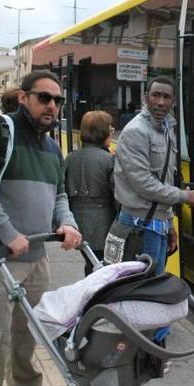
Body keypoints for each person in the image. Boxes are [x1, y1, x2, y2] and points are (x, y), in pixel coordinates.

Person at [0, 69, 82, 386]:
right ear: (23, 97)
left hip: (37, 259)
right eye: (44, 98)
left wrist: (68, 224)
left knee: (27, 343)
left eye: (57, 100)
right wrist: (7, 232)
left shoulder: (51, 147)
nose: (52, 106)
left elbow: (59, 196)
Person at [113, 76, 194, 275]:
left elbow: (164, 179)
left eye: (166, 97)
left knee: (152, 289)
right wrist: (183, 196)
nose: (161, 102)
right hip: (139, 226)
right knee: (142, 292)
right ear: (145, 98)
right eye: (156, 95)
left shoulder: (166, 129)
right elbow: (144, 184)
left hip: (156, 225)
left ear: (174, 101)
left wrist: (168, 223)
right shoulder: (136, 131)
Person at [65, 110, 116, 276]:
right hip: (104, 226)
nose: (112, 131)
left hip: (79, 224)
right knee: (103, 270)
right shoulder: (109, 160)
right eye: (110, 128)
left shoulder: (71, 158)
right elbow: (119, 196)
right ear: (102, 132)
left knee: (91, 265)